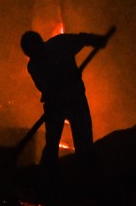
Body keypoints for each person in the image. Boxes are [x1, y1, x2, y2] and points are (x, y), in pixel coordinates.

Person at [20, 28, 109, 184]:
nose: (34, 55)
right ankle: (49, 178)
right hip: (55, 105)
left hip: (75, 99)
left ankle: (87, 178)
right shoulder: (34, 66)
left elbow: (82, 38)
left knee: (83, 141)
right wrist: (55, 95)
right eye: (31, 53)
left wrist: (97, 40)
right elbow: (44, 88)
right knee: (52, 143)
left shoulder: (60, 44)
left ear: (40, 44)